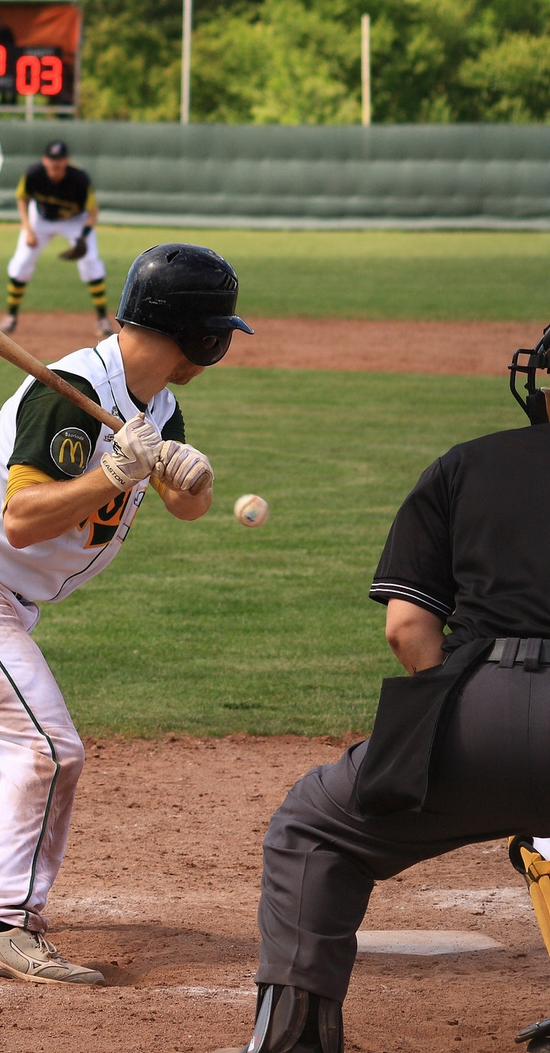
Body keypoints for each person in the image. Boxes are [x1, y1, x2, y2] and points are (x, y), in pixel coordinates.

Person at [0, 245, 251, 984]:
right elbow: (22, 519)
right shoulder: (69, 391)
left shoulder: (157, 403)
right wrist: (113, 470)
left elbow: (185, 505)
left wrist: (188, 475)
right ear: (196, 335)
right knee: (47, 749)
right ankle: (3, 925)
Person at [221, 328, 550, 1053]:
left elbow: (406, 627)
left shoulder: (469, 464)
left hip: (479, 711)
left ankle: (295, 1040)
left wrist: (451, 726)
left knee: (314, 830)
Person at [0, 140, 112, 341]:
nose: (55, 169)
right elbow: (22, 198)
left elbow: (93, 211)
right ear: (44, 161)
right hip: (41, 219)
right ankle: (10, 316)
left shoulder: (79, 179)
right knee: (21, 262)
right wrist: (28, 230)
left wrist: (83, 238)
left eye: (59, 165)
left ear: (66, 162)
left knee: (91, 261)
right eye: (51, 164)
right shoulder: (34, 174)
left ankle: (102, 319)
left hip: (75, 221)